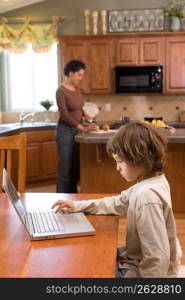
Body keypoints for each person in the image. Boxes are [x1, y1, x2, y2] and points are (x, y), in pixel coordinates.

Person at [52, 121, 182, 278]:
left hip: (143, 272)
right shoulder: (151, 182)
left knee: (83, 268)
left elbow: (157, 258)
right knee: (94, 255)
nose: (117, 168)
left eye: (120, 162)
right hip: (137, 261)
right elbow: (118, 202)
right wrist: (77, 205)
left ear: (139, 158)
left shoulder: (146, 197)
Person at [56, 59, 96, 193]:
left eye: (82, 75)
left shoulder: (76, 89)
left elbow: (79, 107)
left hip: (76, 131)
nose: (80, 78)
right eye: (79, 75)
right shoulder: (60, 91)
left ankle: (72, 198)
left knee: (76, 167)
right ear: (71, 73)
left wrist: (85, 115)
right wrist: (82, 127)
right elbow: (64, 115)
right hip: (65, 132)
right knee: (65, 169)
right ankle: (60, 199)